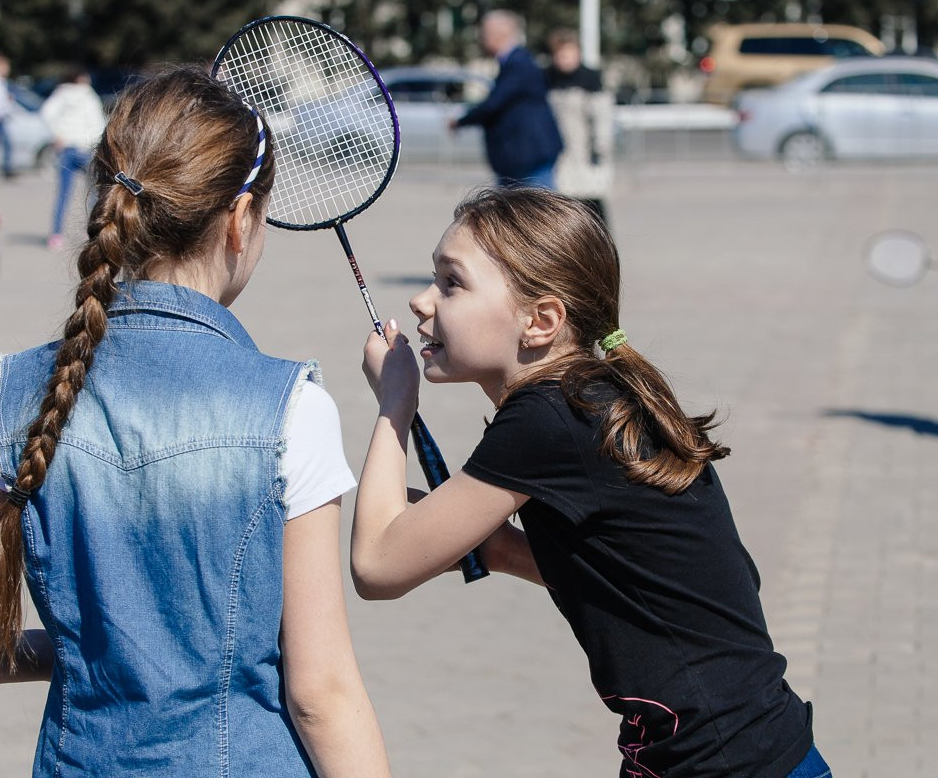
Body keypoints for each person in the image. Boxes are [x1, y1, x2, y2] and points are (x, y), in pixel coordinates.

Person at [0, 67, 391, 778]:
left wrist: (82, 648)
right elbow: (321, 693)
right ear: (241, 218)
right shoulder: (289, 407)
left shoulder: (18, 395)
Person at [353, 186, 828, 778]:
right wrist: (500, 550)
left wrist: (394, 402)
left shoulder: (550, 419)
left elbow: (376, 567)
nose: (423, 302)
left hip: (723, 763)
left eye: (453, 283)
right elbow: (643, 580)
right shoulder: (588, 397)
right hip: (737, 751)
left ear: (541, 320)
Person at [450, 10, 563, 189]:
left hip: (529, 155)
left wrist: (460, 121)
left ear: (499, 33)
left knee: (537, 213)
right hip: (520, 157)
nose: (481, 38)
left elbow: (494, 104)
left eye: (484, 32)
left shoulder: (519, 63)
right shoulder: (514, 62)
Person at [545, 28, 614, 227]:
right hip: (558, 155)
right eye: (560, 54)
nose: (564, 58)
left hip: (586, 154)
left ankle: (600, 250)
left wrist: (601, 146)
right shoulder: (547, 79)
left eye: (569, 53)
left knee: (592, 203)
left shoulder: (591, 79)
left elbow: (602, 117)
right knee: (563, 206)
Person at [40, 67, 106, 251]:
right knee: (93, 193)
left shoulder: (61, 94)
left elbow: (46, 113)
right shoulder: (88, 96)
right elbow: (97, 123)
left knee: (63, 194)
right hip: (85, 149)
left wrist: (58, 134)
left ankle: (56, 234)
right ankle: (94, 231)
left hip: (67, 148)